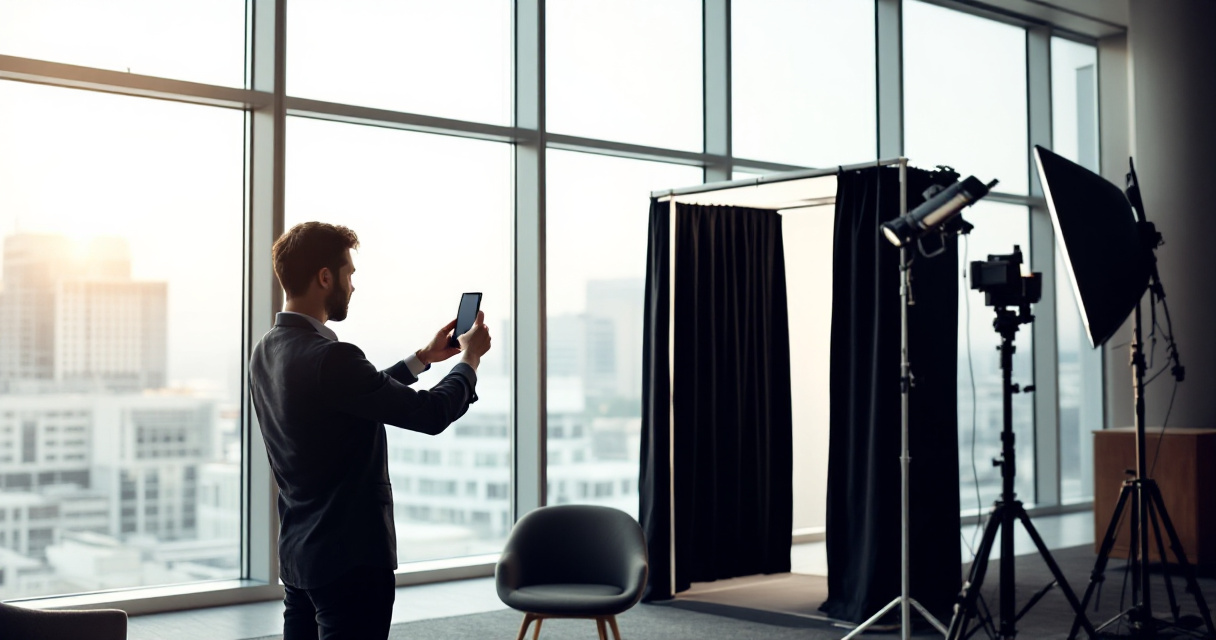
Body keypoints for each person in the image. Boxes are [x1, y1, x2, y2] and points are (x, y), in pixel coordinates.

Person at [248, 221, 490, 640]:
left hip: (301, 557)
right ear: (326, 277)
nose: (353, 286)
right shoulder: (332, 356)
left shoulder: (266, 350)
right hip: (352, 559)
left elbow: (351, 396)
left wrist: (422, 358)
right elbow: (430, 414)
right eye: (349, 274)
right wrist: (468, 362)